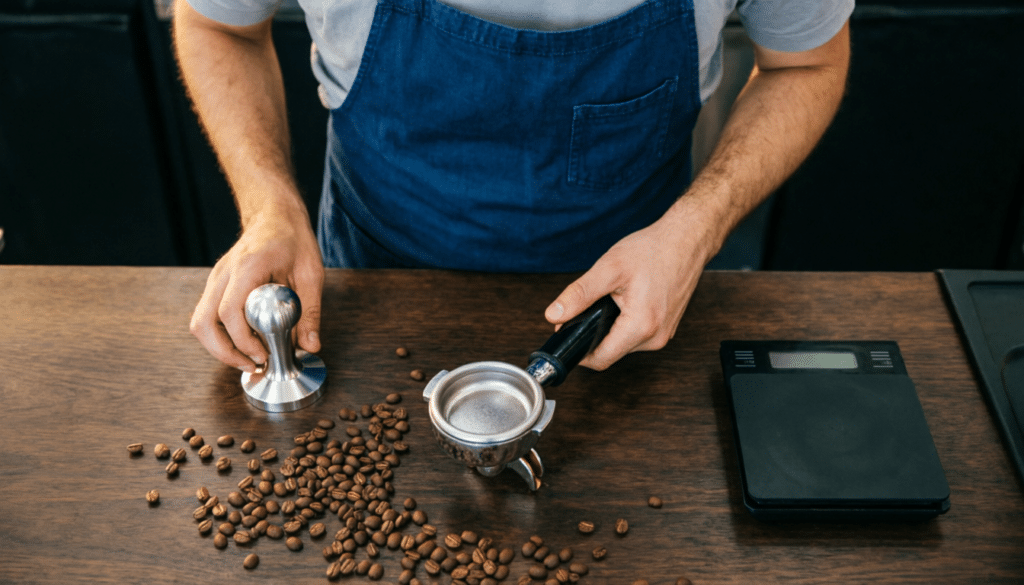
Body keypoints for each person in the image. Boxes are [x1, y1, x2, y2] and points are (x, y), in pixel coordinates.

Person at [177, 0, 852, 373]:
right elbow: (217, 24)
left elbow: (806, 64)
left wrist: (698, 225)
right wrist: (269, 205)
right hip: (368, 301)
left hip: (634, 316)